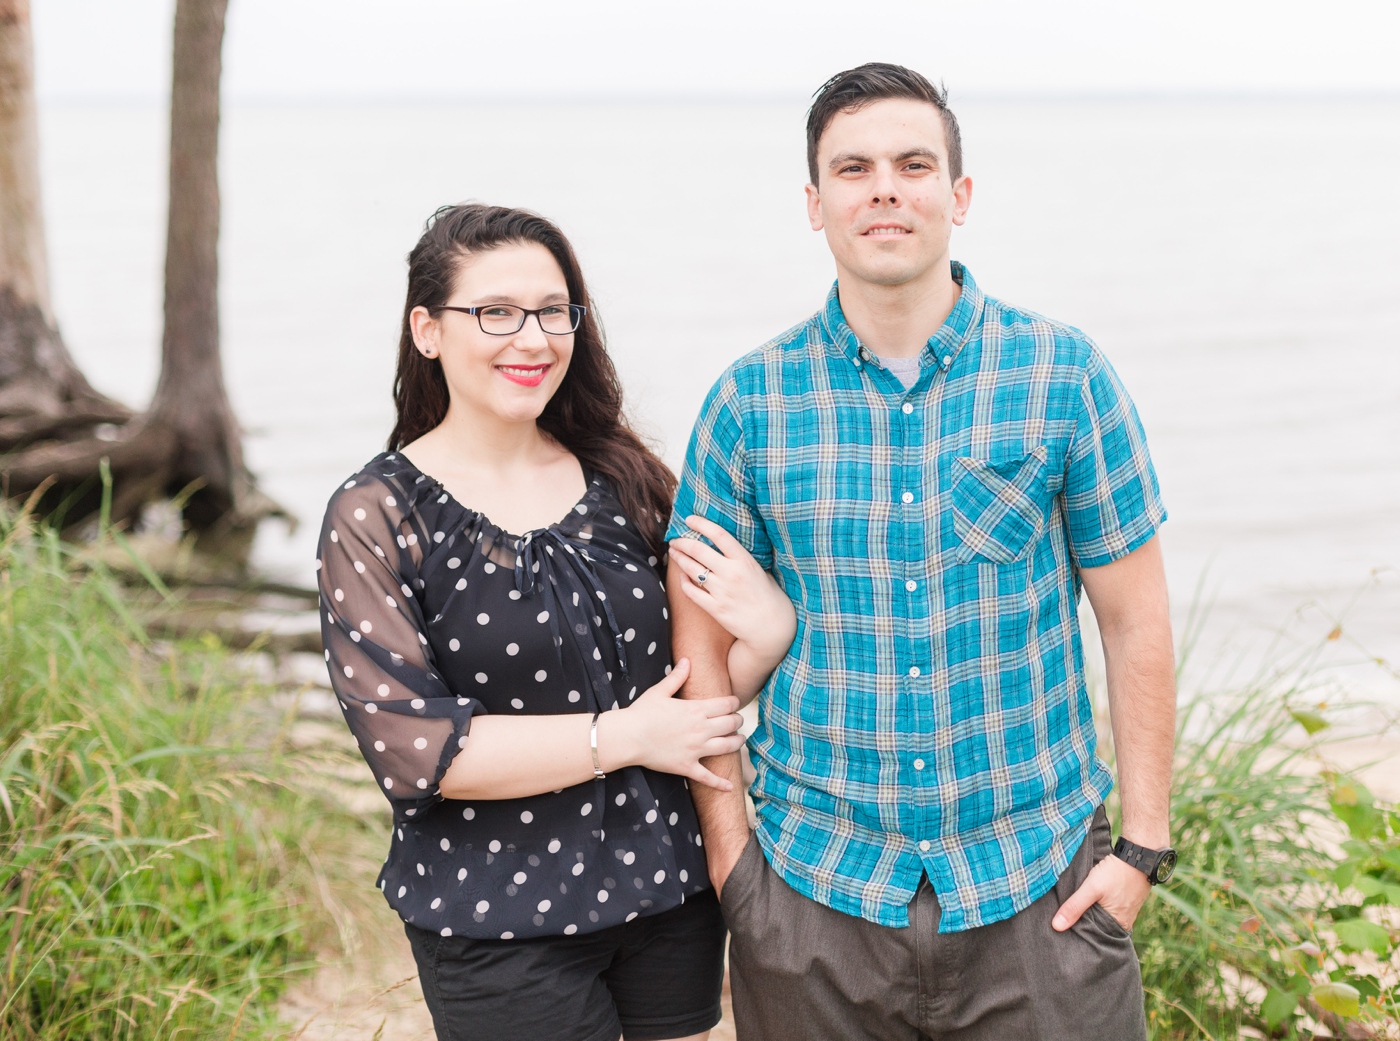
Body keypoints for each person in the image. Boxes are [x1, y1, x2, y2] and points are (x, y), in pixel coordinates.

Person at [665, 64, 1178, 1040]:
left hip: (1041, 886)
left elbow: (1134, 617)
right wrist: (735, 867)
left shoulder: (1064, 378)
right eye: (853, 169)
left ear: (960, 194)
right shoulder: (747, 403)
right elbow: (698, 658)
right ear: (816, 206)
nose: (886, 188)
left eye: (914, 163)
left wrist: (1142, 848)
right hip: (812, 892)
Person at [315, 204, 796, 1041]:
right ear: (427, 330)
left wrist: (764, 638)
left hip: (669, 893)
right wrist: (620, 738)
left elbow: (684, 696)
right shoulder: (376, 514)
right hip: (493, 913)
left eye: (552, 310)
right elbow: (416, 748)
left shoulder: (626, 476)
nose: (532, 339)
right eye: (495, 313)